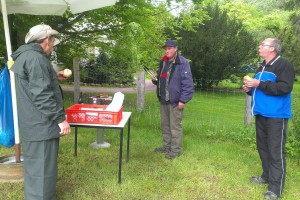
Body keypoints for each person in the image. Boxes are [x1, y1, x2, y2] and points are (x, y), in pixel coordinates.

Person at [10, 24, 71, 200]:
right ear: (45, 41)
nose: (52, 45)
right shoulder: (36, 59)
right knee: (42, 170)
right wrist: (61, 120)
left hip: (32, 123)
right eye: (52, 41)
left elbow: (35, 83)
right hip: (41, 125)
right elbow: (42, 95)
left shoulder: (26, 56)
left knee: (35, 168)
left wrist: (54, 76)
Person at [243, 38, 295, 200]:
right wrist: (249, 89)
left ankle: (275, 189)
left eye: (262, 45)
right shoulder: (262, 66)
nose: (259, 46)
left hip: (276, 116)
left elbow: (285, 88)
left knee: (275, 151)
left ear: (272, 48)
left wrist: (260, 84)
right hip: (261, 113)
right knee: (263, 148)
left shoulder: (284, 65)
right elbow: (259, 89)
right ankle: (266, 177)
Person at [152, 40, 194, 159]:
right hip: (163, 99)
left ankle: (175, 150)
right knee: (165, 125)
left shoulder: (183, 63)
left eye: (170, 48)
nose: (167, 50)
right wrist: (157, 81)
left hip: (176, 101)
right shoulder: (164, 61)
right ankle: (167, 146)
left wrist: (183, 100)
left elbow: (188, 84)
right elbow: (165, 79)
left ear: (176, 49)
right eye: (166, 48)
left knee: (175, 127)